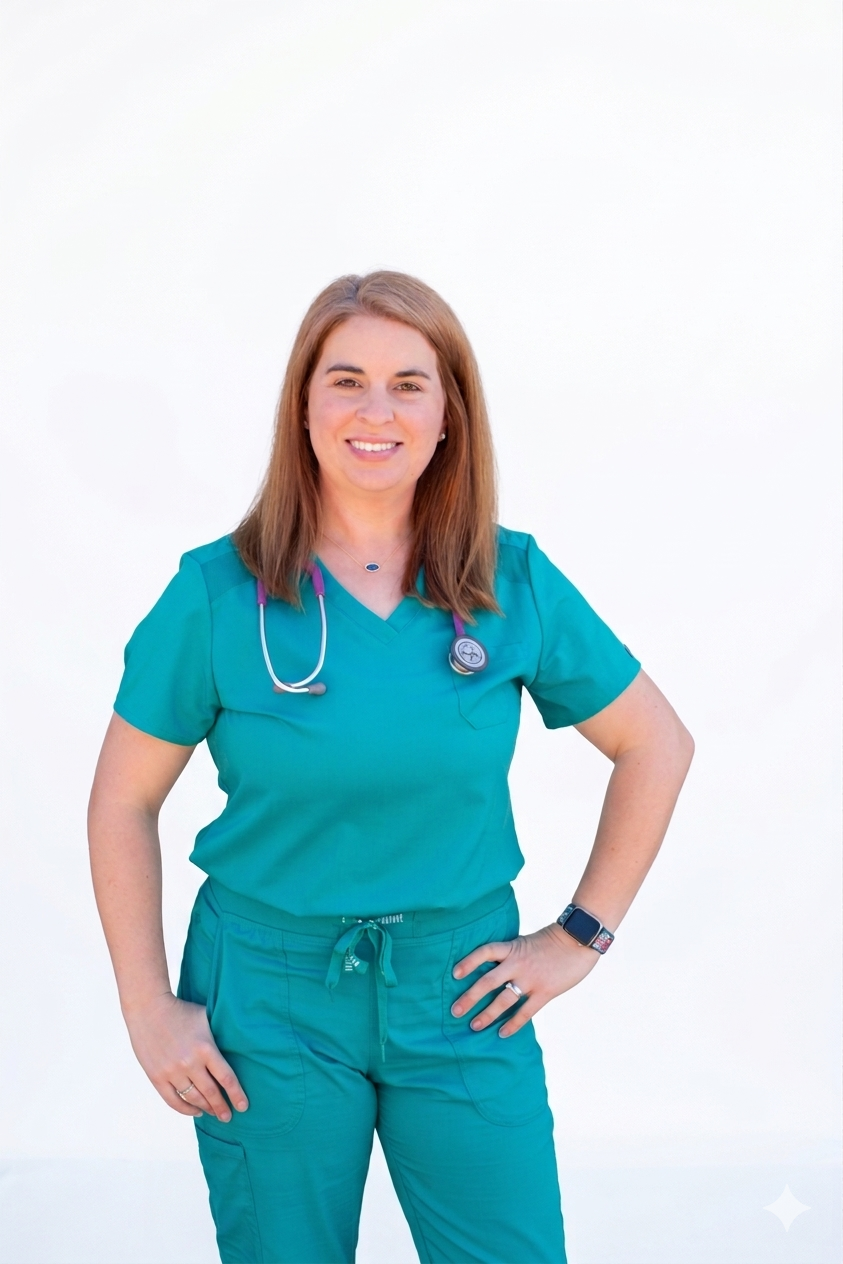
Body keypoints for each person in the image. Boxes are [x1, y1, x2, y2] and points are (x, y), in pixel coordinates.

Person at [88, 271, 694, 1264]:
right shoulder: (213, 593)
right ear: (304, 405)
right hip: (268, 996)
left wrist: (579, 935)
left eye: (410, 383)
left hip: (461, 989)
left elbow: (656, 743)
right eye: (347, 380)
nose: (377, 410)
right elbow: (122, 799)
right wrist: (148, 1007)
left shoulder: (508, 578)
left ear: (450, 410)